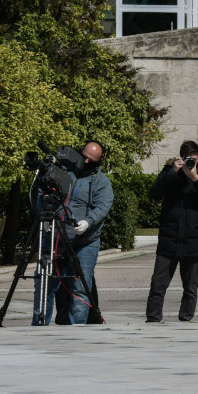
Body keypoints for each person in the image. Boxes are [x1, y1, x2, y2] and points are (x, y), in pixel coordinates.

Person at [32, 140, 114, 326]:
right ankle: (38, 325)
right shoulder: (61, 171)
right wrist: (42, 201)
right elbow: (39, 196)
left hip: (84, 242)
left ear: (100, 160)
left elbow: (103, 206)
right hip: (53, 237)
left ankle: (77, 328)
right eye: (83, 157)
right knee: (44, 285)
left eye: (91, 160)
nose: (85, 162)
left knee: (80, 289)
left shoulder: (101, 181)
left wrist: (88, 221)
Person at [145, 141, 198, 323]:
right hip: (169, 237)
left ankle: (186, 317)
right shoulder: (170, 171)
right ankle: (153, 318)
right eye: (187, 159)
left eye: (193, 160)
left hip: (193, 239)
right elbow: (154, 193)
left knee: (191, 286)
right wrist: (172, 173)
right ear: (180, 157)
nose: (190, 163)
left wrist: (195, 177)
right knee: (158, 284)